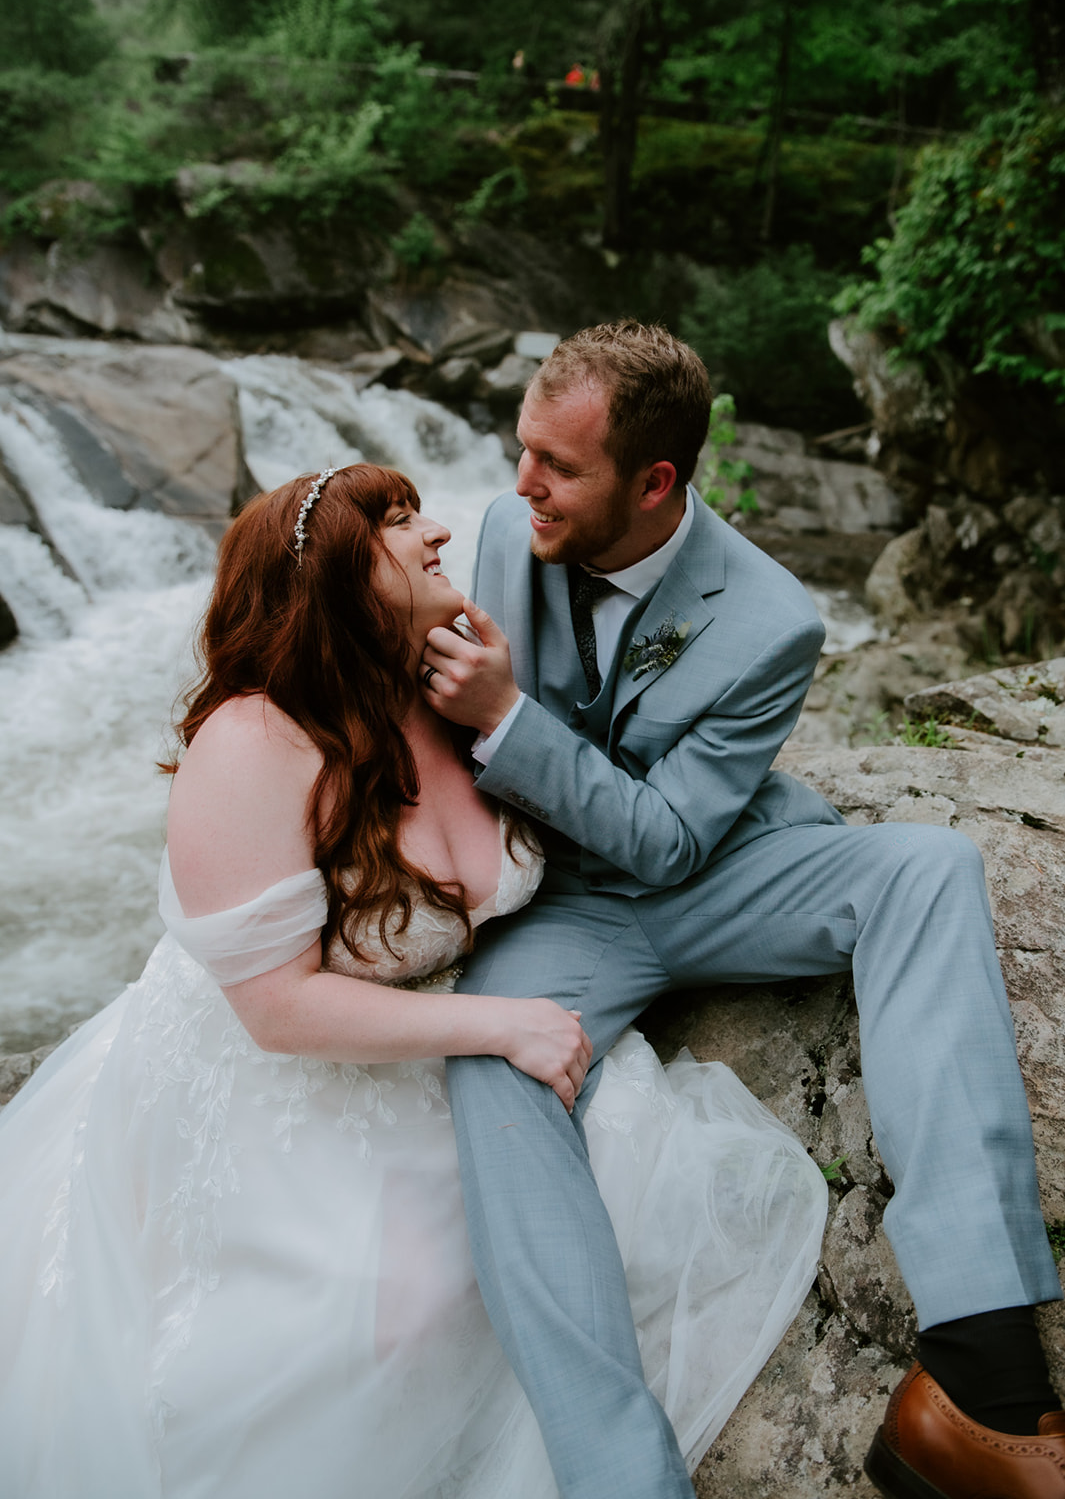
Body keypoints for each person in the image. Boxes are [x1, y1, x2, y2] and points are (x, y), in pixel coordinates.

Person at [0, 462, 827, 1498]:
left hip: (440, 1046)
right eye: (397, 522)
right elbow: (274, 1008)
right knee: (371, 1316)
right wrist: (505, 1024)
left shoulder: (454, 688)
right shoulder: (253, 740)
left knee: (617, 1213)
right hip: (279, 1086)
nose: (437, 530)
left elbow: (612, 800)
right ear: (337, 574)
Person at [418, 320, 1065, 1499]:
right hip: (559, 911)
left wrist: (512, 722)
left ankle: (982, 1376)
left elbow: (668, 841)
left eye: (558, 466)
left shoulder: (774, 618)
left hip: (707, 873)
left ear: (656, 481)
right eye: (521, 451)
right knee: (489, 1061)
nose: (520, 486)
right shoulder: (511, 531)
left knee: (926, 868)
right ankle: (620, 1475)